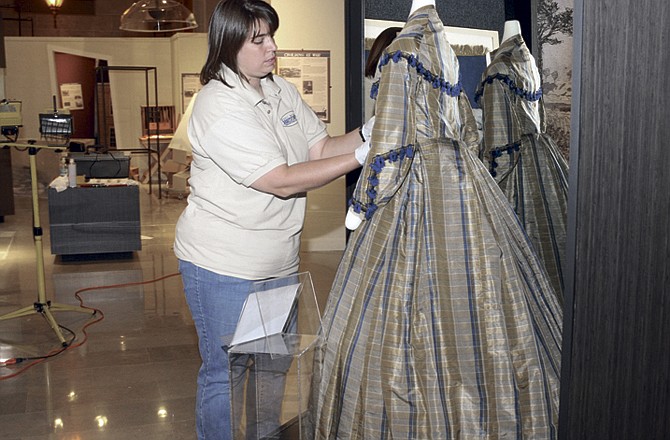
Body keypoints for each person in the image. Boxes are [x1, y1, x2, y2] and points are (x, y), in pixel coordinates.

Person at [311, 1, 562, 438]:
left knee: (404, 305)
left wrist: (363, 204)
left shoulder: (404, 47)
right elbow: (467, 127)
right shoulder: (447, 48)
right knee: (480, 292)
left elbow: (389, 144)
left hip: (418, 180)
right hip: (460, 175)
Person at [173, 1, 372, 438]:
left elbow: (319, 151)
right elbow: (280, 180)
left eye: (272, 36)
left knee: (271, 367)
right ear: (228, 45)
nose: (272, 48)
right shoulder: (217, 105)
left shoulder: (279, 90)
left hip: (278, 264)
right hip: (224, 266)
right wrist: (360, 158)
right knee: (227, 373)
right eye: (258, 40)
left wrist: (371, 133)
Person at [475, 20, 569, 299]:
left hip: (517, 163)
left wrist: (488, 186)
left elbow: (500, 143)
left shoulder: (498, 69)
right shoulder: (529, 64)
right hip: (543, 154)